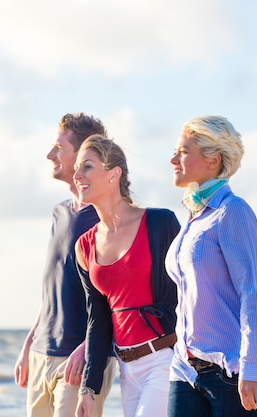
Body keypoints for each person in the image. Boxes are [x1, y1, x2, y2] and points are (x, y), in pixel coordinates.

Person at [165, 115, 257, 416]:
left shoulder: (232, 211)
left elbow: (252, 292)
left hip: (230, 372)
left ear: (213, 159)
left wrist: (252, 367)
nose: (173, 159)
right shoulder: (194, 217)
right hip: (185, 370)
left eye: (183, 152)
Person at [14, 113, 118, 417]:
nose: (50, 155)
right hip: (41, 354)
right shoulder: (60, 213)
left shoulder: (107, 217)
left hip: (80, 358)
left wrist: (89, 348)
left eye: (59, 148)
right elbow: (53, 288)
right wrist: (29, 343)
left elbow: (118, 295)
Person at [72, 135, 180, 417]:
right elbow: (98, 319)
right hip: (126, 369)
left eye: (87, 167)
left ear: (113, 174)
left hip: (164, 359)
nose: (77, 174)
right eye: (76, 168)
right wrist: (89, 387)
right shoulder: (84, 245)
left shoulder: (160, 224)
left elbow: (189, 291)